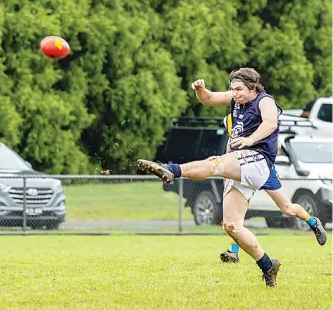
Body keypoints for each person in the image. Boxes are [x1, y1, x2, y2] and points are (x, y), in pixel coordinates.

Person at [137, 68, 325, 287]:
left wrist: (250, 139)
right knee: (231, 226)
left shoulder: (265, 101)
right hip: (241, 162)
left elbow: (270, 124)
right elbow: (207, 99)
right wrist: (201, 90)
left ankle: (171, 170)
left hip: (258, 161)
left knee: (218, 166)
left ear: (253, 87)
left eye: (239, 89)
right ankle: (267, 265)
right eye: (232, 89)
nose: (235, 93)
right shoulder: (236, 98)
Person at [220, 114, 327, 263]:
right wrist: (226, 167)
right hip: (240, 169)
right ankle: (234, 252)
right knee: (235, 216)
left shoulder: (263, 116)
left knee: (287, 208)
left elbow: (276, 147)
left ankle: (313, 223)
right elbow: (230, 144)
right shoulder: (231, 119)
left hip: (263, 170)